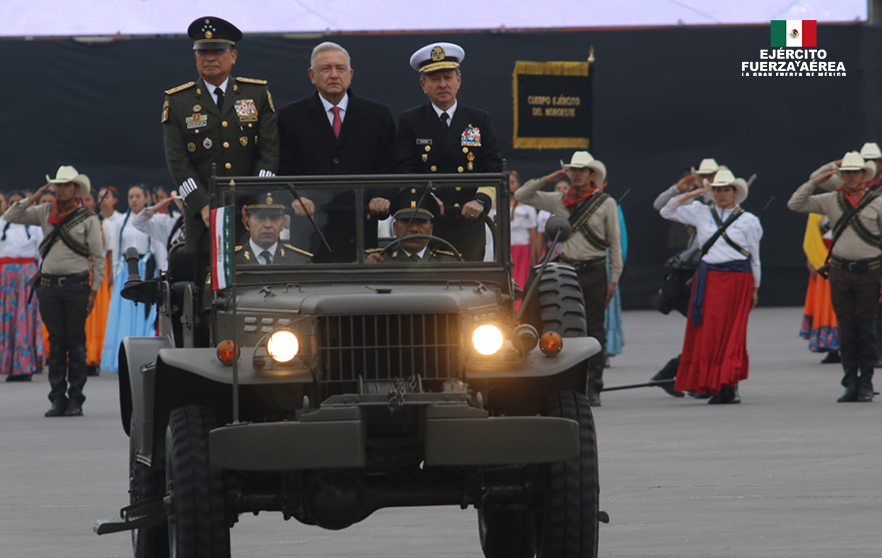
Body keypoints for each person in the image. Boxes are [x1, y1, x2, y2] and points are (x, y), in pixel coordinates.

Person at [163, 16, 279, 255]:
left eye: (217, 51)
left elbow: (269, 151)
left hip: (253, 218)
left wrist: (256, 201)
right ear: (195, 57)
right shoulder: (178, 102)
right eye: (203, 52)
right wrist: (202, 205)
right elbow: (177, 162)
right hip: (203, 219)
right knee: (205, 285)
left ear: (233, 56)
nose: (210, 58)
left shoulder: (256, 94)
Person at [515, 151, 622, 406]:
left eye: (581, 170)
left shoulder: (605, 202)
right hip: (565, 271)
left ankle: (594, 387)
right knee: (560, 327)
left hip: (595, 271)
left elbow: (615, 242)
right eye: (572, 169)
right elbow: (521, 195)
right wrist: (548, 177)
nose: (576, 173)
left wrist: (613, 278)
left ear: (591, 174)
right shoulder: (559, 200)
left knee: (595, 330)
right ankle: (561, 383)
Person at [277, 41, 397, 262]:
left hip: (360, 228)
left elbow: (388, 163)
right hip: (309, 232)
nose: (334, 75)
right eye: (326, 69)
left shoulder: (377, 115)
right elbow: (284, 165)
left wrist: (381, 195)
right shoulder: (291, 117)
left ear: (350, 74)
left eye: (340, 69)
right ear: (312, 75)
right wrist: (297, 196)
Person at [4, 166, 105, 417]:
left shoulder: (88, 218)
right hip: (48, 287)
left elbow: (98, 258)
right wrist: (35, 197)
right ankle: (57, 398)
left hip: (77, 287)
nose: (61, 189)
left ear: (75, 188)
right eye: (57, 185)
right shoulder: (44, 211)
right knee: (56, 342)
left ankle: (76, 399)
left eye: (65, 185)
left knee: (76, 343)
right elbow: (10, 215)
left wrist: (93, 292)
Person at [660, 169, 762, 404]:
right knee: (709, 333)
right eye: (717, 189)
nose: (722, 194)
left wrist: (755, 287)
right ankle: (710, 383)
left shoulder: (749, 220)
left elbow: (755, 258)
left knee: (732, 334)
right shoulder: (700, 212)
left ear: (735, 192)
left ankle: (729, 386)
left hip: (738, 279)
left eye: (726, 189)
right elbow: (666, 210)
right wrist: (691, 193)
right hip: (710, 278)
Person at [788, 152, 882, 402]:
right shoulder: (830, 200)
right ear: (841, 175)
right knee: (847, 329)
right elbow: (795, 204)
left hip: (870, 271)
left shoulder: (878, 203)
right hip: (840, 272)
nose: (851, 177)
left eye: (856, 172)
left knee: (867, 330)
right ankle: (850, 382)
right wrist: (816, 182)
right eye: (847, 173)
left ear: (864, 175)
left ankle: (866, 382)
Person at [396, 42, 502, 261]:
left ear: (459, 81)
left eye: (448, 78)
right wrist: (429, 198)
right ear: (423, 85)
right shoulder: (410, 120)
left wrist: (481, 201)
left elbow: (493, 165)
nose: (442, 84)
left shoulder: (477, 119)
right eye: (435, 79)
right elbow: (406, 168)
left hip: (469, 220)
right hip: (427, 220)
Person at [100, 185, 159, 374]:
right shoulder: (121, 223)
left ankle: (142, 358)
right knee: (123, 314)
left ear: (145, 198)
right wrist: (115, 274)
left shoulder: (152, 220)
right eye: (131, 196)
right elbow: (116, 250)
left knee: (142, 313)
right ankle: (120, 358)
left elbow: (157, 249)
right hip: (125, 270)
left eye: (138, 196)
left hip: (144, 269)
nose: (134, 200)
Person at [0, 190, 45, 382]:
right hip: (6, 278)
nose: (16, 206)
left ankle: (25, 364)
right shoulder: (2, 225)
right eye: (12, 203)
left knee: (25, 318)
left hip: (27, 275)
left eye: (20, 202)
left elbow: (42, 253)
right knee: (7, 318)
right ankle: (8, 363)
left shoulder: (34, 227)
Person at [366, 188, 459, 264]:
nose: (414, 229)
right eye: (407, 222)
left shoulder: (449, 262)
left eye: (421, 222)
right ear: (394, 228)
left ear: (431, 229)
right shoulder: (377, 261)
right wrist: (367, 268)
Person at [800, 213, 840, 362]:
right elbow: (812, 238)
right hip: (823, 259)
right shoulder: (818, 209)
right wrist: (814, 260)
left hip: (846, 256)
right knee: (826, 305)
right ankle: (832, 347)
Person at [598, 180, 628, 363]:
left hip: (606, 264)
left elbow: (620, 240)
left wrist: (617, 267)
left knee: (605, 308)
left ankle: (605, 348)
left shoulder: (612, 206)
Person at [234, 194, 312, 264]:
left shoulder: (299, 261)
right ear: (246, 222)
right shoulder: (232, 260)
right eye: (260, 218)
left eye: (274, 219)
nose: (268, 225)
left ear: (283, 223)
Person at [508, 171, 538, 307]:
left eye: (512, 182)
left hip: (522, 250)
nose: (509, 185)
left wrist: (532, 255)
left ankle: (519, 311)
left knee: (520, 281)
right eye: (507, 182)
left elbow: (533, 233)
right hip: (504, 250)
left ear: (519, 185)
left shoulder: (527, 208)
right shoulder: (494, 206)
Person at [537, 179, 569, 257]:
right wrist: (538, 255)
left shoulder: (576, 209)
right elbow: (540, 236)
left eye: (565, 188)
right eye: (558, 188)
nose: (561, 190)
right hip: (550, 251)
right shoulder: (544, 211)